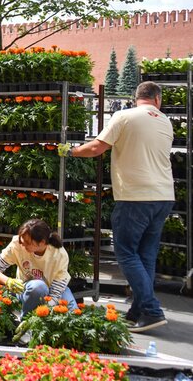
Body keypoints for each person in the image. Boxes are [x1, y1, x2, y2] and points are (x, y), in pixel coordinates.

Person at [60, 81, 174, 333]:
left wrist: (71, 151)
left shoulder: (124, 116)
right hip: (164, 196)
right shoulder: (165, 121)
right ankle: (138, 311)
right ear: (157, 99)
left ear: (137, 98)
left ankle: (152, 310)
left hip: (135, 196)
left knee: (126, 253)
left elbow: (97, 147)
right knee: (146, 256)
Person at [0, 219, 76, 315]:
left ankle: (34, 322)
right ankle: (25, 320)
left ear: (42, 243)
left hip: (53, 291)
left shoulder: (59, 255)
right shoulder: (17, 245)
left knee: (74, 313)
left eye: (27, 242)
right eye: (22, 241)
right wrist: (8, 281)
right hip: (27, 289)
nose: (22, 244)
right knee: (38, 287)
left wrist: (41, 314)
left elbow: (55, 294)